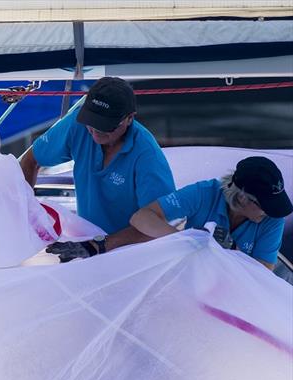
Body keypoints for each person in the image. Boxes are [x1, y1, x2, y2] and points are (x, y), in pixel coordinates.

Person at [18, 77, 175, 261]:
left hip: (134, 256)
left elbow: (160, 225)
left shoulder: (147, 156)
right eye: (90, 122)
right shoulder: (76, 125)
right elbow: (29, 160)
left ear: (129, 118)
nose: (94, 131)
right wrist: (26, 217)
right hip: (87, 245)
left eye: (104, 126)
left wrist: (100, 245)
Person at [128, 156, 292, 269]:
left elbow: (264, 276)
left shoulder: (273, 219)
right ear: (243, 198)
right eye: (265, 205)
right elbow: (141, 217)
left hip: (239, 297)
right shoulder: (205, 193)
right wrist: (187, 240)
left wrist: (233, 250)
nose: (271, 212)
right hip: (191, 281)